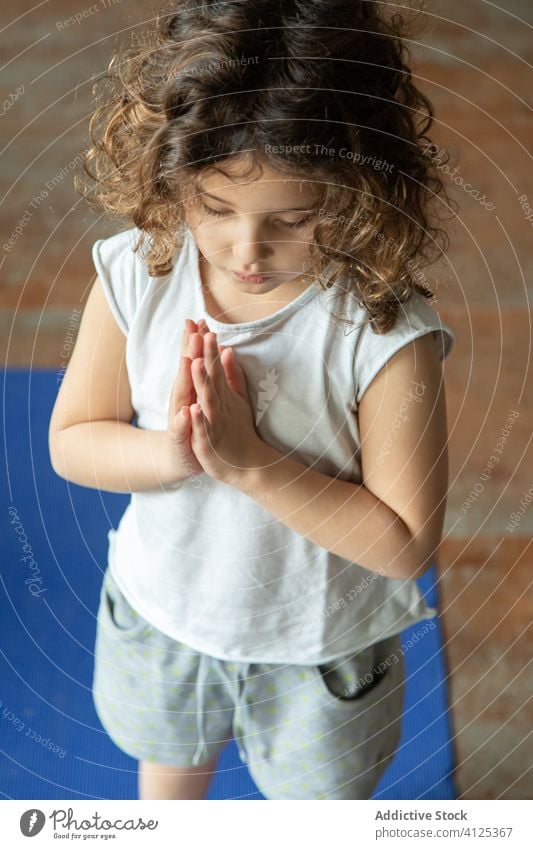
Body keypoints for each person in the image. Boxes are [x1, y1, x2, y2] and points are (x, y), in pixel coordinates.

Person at [49, 0, 456, 800]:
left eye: (293, 219)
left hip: (322, 646)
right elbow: (73, 439)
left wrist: (249, 465)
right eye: (214, 208)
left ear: (361, 183)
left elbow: (404, 542)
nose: (246, 249)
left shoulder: (381, 330)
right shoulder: (140, 271)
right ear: (173, 178)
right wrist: (174, 450)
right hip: (164, 613)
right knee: (167, 789)